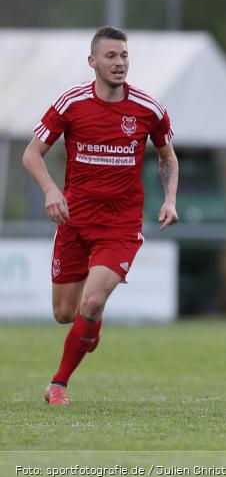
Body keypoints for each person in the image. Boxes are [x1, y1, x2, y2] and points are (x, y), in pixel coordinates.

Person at [22, 25, 179, 406]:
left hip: (120, 226)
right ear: (92, 61)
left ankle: (58, 384)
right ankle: (89, 323)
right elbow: (31, 155)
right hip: (74, 223)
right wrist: (51, 190)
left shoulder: (148, 109)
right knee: (65, 313)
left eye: (124, 55)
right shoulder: (71, 103)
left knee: (91, 302)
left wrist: (170, 199)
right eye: (111, 56)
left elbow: (167, 158)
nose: (119, 63)